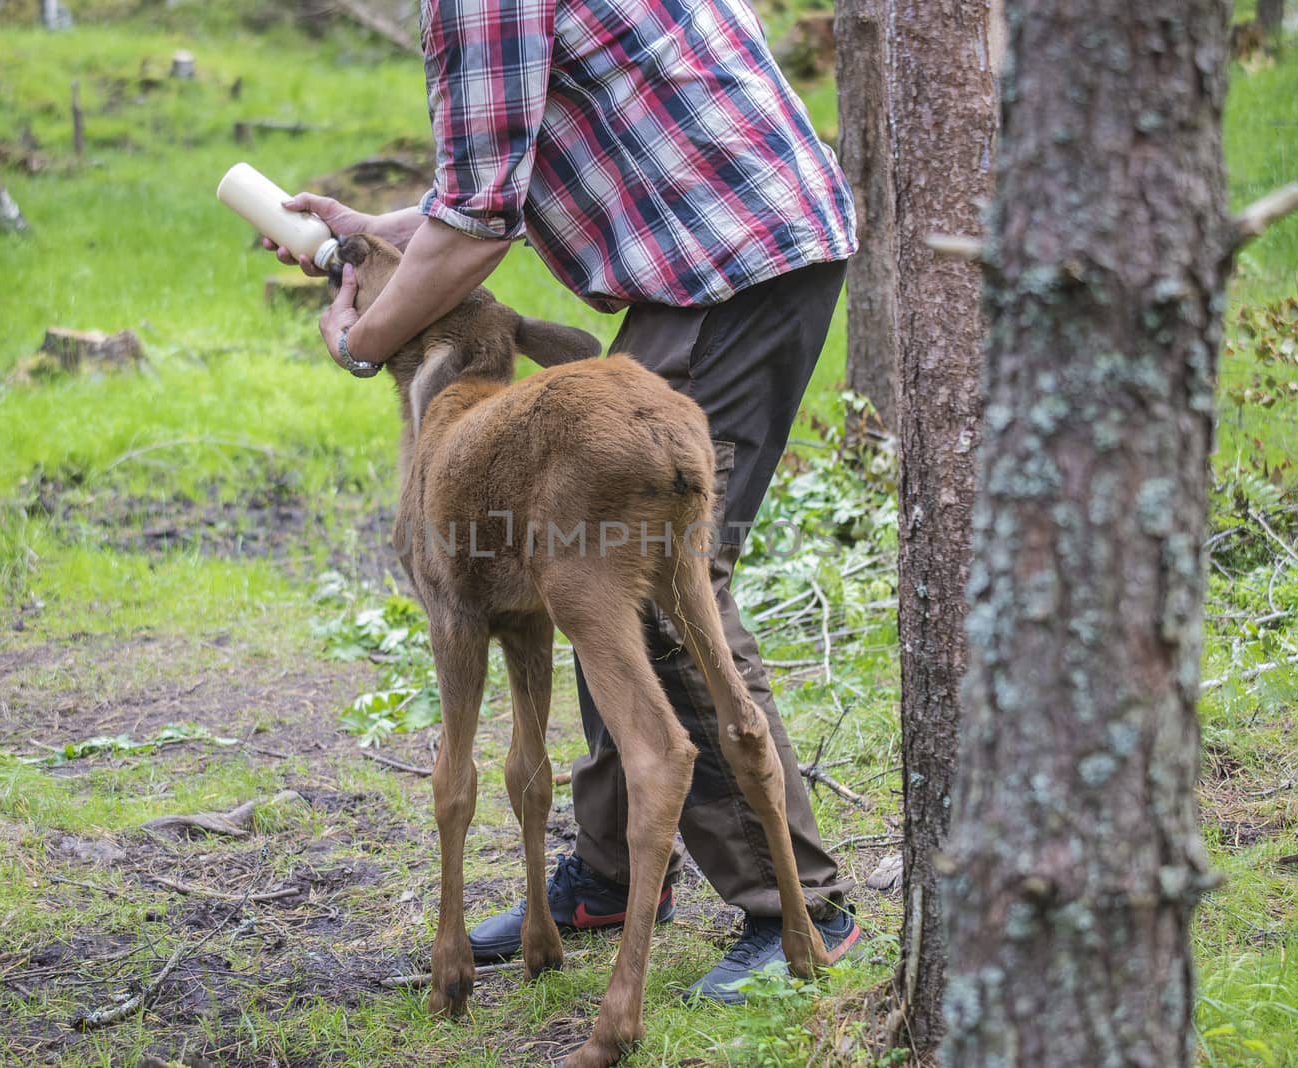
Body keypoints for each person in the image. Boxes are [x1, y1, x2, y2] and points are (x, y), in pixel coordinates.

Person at [265, 0, 859, 1003]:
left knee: (664, 583)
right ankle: (612, 873)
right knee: (581, 565)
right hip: (745, 242)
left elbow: (473, 230)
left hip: (732, 264)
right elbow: (481, 187)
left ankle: (795, 907)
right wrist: (373, 234)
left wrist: (362, 343)